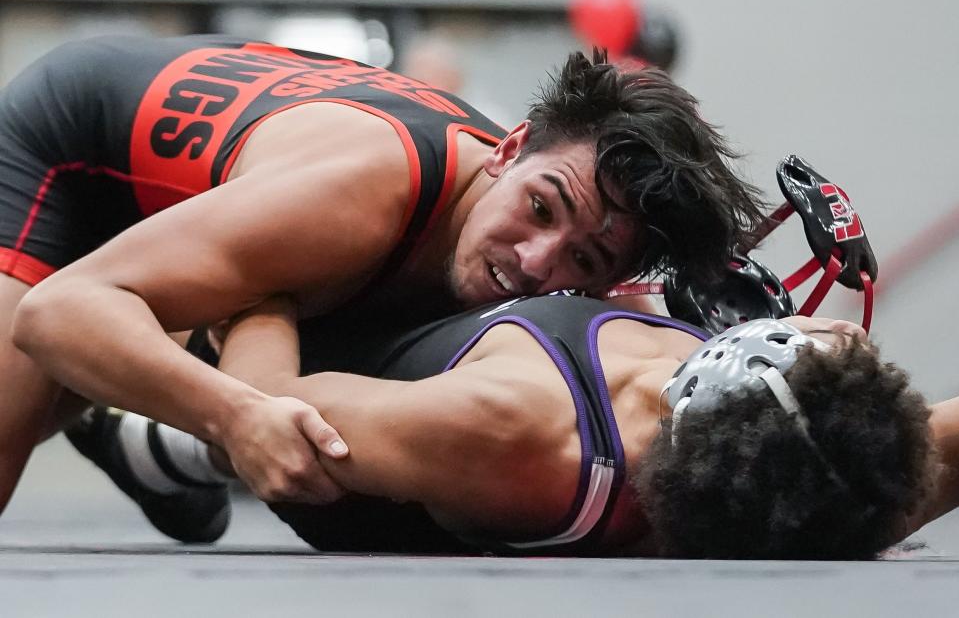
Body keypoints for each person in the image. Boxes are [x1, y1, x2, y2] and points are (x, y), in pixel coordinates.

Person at [0, 34, 768, 513]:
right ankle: (149, 424)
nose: (537, 262)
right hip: (73, 152)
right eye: (540, 208)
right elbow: (56, 314)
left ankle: (140, 431)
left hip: (243, 208)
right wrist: (232, 417)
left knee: (266, 340)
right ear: (510, 148)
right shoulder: (360, 196)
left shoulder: (495, 242)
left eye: (584, 259)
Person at [74, 291, 936, 558]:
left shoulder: (518, 439)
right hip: (399, 336)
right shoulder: (793, 469)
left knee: (232, 428)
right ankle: (148, 451)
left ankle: (151, 446)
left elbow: (261, 418)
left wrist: (265, 287)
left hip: (330, 414)